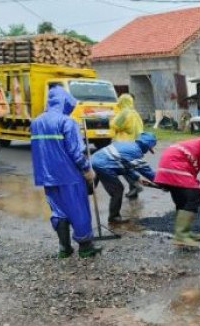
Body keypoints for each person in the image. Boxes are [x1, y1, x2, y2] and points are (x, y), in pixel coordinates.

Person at [31, 85, 101, 258]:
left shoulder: (36, 122)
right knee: (78, 209)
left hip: (47, 176)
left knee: (58, 210)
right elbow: (75, 151)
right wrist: (86, 169)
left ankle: (64, 248)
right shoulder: (67, 122)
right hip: (69, 175)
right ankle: (85, 247)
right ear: (65, 103)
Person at [91, 132, 157, 224]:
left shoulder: (130, 146)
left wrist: (137, 178)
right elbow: (146, 171)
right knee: (118, 190)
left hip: (96, 160)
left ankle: (76, 202)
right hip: (103, 165)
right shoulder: (135, 152)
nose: (148, 151)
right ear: (147, 146)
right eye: (149, 148)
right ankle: (114, 218)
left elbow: (125, 166)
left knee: (89, 189)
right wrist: (162, 182)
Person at [110, 94, 145, 199]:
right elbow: (140, 130)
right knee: (131, 166)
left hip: (122, 144)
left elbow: (114, 124)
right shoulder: (135, 114)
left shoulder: (124, 113)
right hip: (134, 144)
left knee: (122, 167)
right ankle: (133, 192)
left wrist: (112, 119)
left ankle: (135, 184)